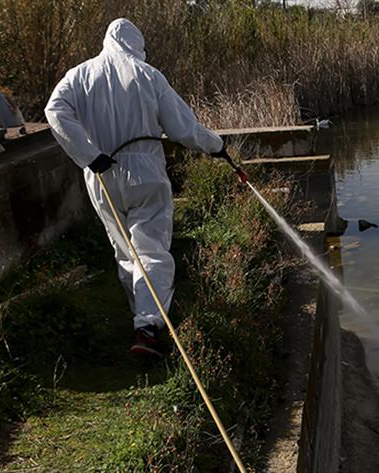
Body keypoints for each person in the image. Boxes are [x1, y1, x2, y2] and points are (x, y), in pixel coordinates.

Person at [45, 18, 228, 358]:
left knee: (126, 252)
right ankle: (147, 327)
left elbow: (54, 111)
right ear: (136, 44)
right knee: (153, 250)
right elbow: (183, 127)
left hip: (101, 174)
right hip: (143, 170)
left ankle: (143, 321)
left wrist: (87, 154)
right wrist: (216, 145)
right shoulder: (148, 76)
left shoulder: (78, 76)